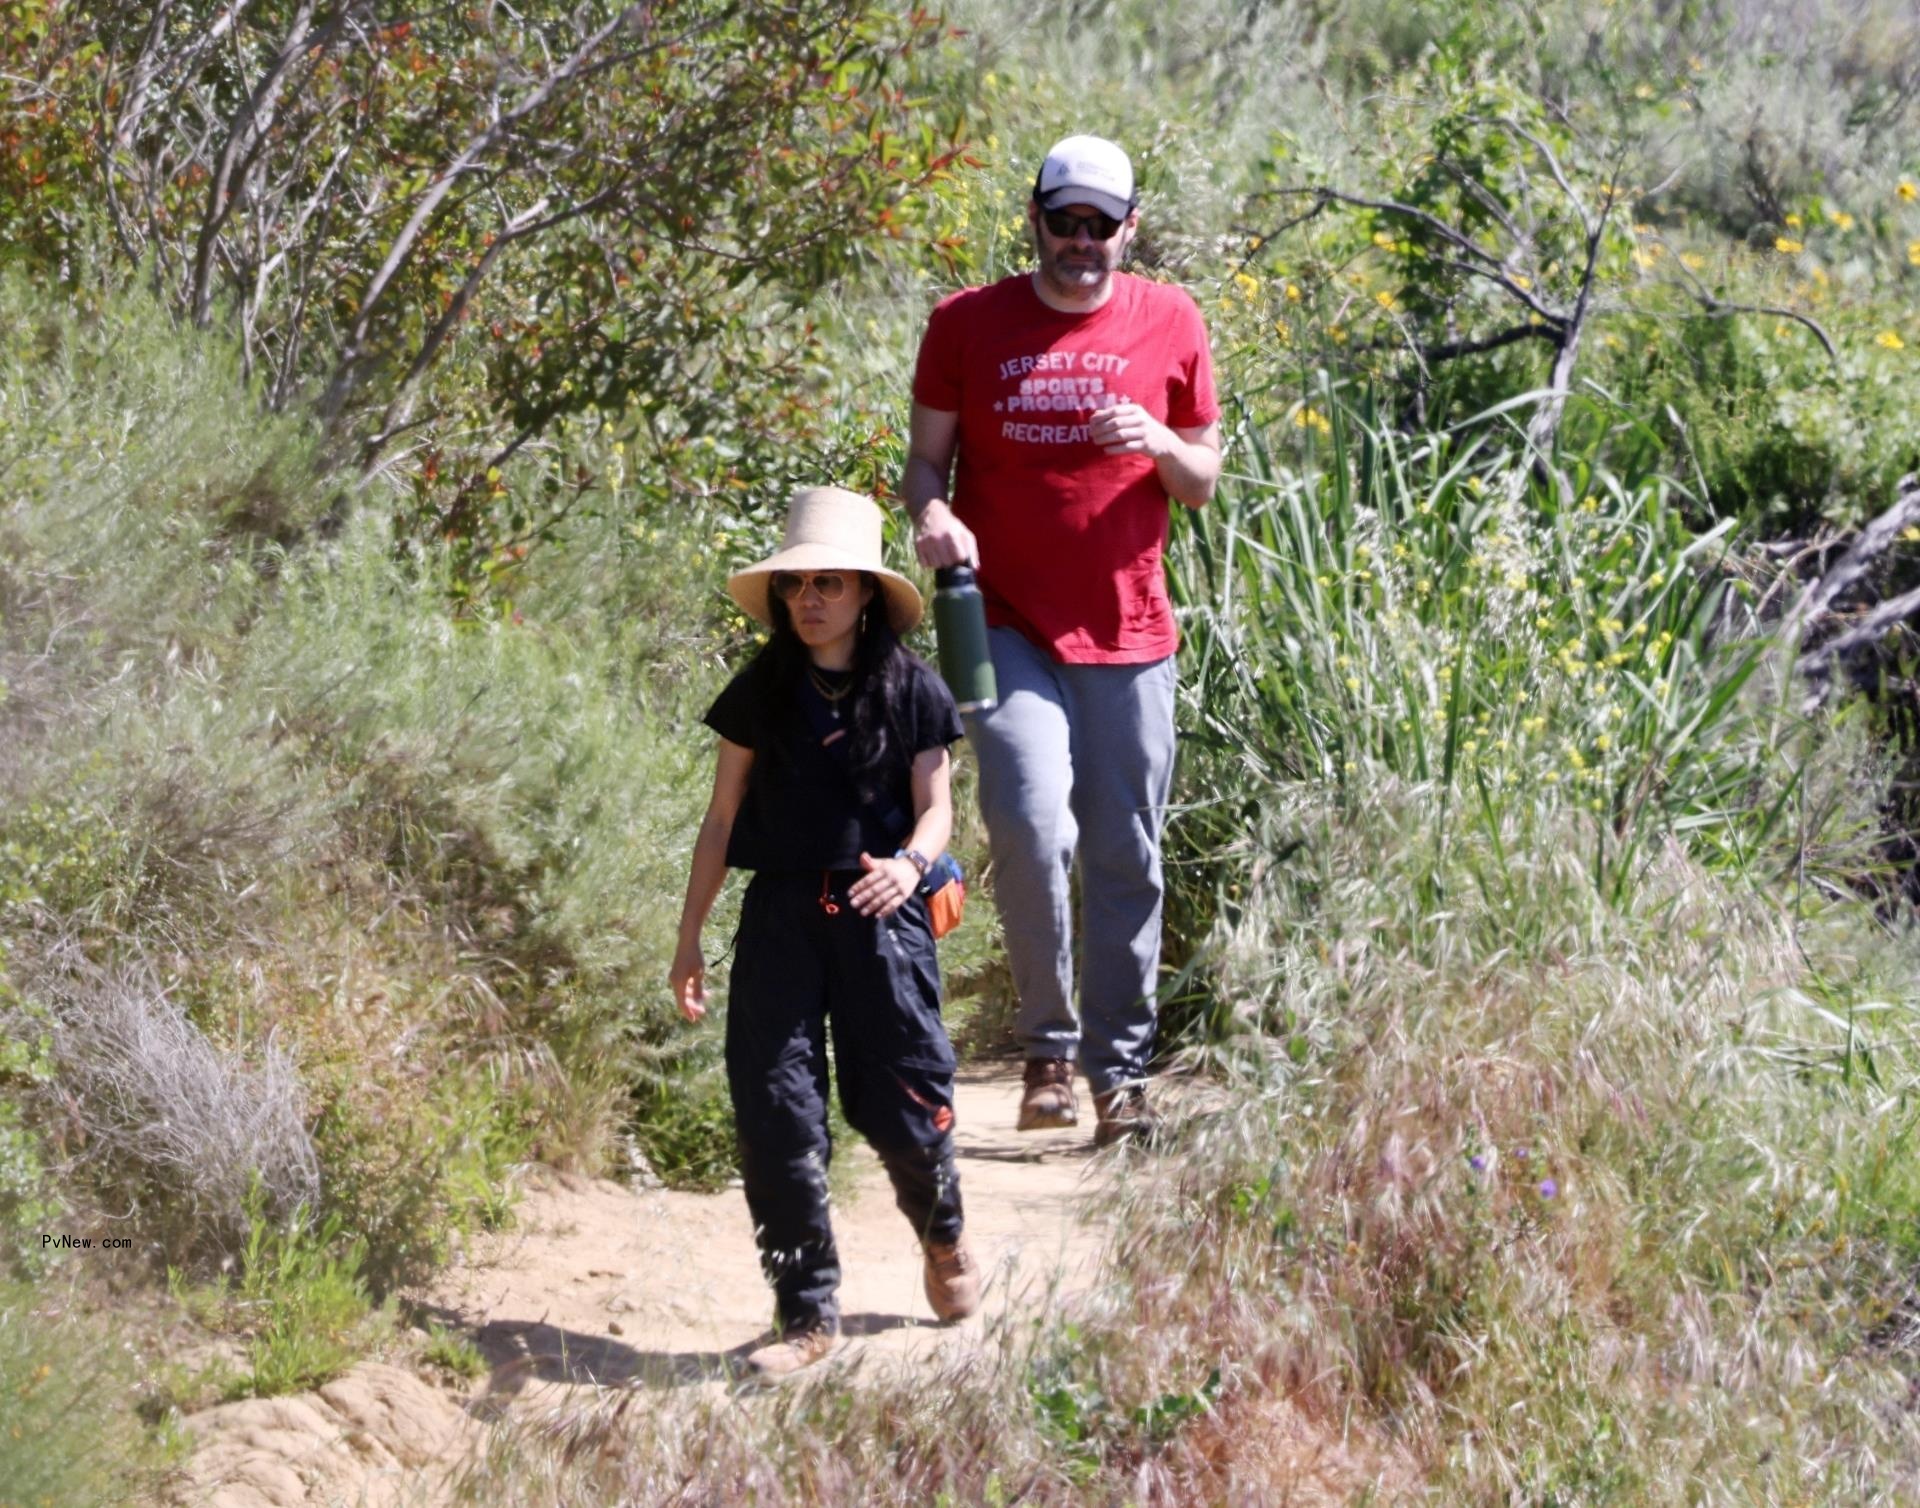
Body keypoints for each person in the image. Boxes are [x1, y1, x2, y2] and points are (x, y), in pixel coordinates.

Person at [901, 134, 1222, 1147]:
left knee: (1126, 850)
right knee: (1032, 823)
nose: (1080, 241)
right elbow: (923, 463)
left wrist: (1162, 443)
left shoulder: (1170, 319)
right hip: (1002, 622)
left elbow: (1202, 476)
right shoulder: (966, 324)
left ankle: (1118, 1076)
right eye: (1063, 220)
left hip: (1130, 631)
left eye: (1100, 224)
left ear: (1130, 228)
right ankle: (1048, 1044)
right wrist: (932, 517)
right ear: (1033, 217)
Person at [670, 485, 979, 1380]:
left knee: (902, 1106)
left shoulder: (913, 687)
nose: (810, 600)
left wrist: (911, 868)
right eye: (797, 584)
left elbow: (936, 810)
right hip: (781, 919)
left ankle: (944, 1235)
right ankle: (804, 1314)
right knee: (776, 1113)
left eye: (830, 584)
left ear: (868, 594)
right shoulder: (759, 691)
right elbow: (721, 820)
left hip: (884, 919)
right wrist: (689, 938)